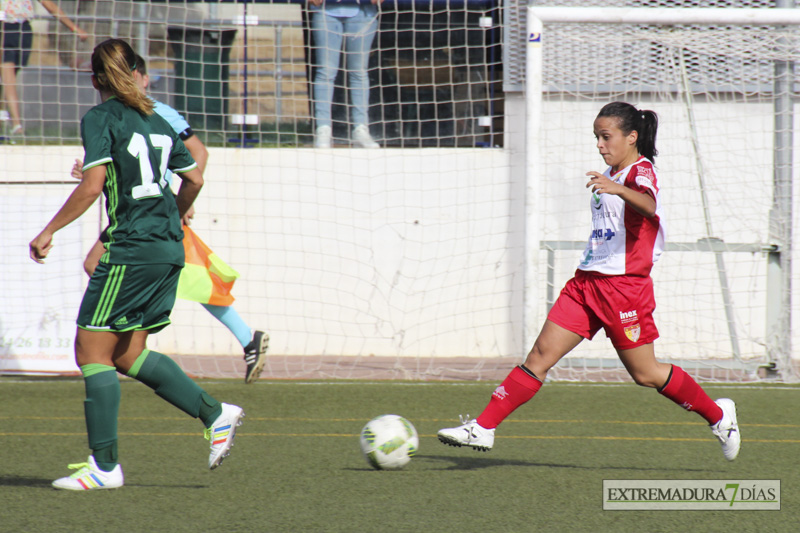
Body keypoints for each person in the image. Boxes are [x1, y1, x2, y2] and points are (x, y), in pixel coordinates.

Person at [437, 102, 741, 461]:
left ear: (632, 137)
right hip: (586, 284)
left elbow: (649, 204)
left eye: (606, 136)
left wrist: (618, 188)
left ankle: (719, 417)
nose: (600, 144)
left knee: (646, 374)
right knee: (539, 356)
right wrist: (610, 185)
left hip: (624, 290)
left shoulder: (638, 172)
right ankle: (483, 427)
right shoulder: (610, 174)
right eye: (597, 137)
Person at [29, 39, 244, 491]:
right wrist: (176, 211)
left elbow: (92, 187)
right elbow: (195, 177)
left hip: (132, 249)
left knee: (90, 351)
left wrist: (49, 230)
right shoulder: (158, 117)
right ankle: (214, 413)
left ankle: (104, 467)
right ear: (136, 73)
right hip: (166, 248)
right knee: (126, 353)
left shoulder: (101, 117)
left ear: (95, 81)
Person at [76, 54, 269, 385]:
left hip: (151, 212)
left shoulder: (157, 111)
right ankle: (246, 339)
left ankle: (125, 340)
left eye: (134, 76)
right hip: (147, 211)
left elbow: (199, 152)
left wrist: (180, 201)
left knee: (110, 264)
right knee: (192, 279)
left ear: (145, 79)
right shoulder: (123, 114)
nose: (130, 82)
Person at [0, 0, 88, 136]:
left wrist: (74, 28)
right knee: (8, 79)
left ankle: (9, 119)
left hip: (19, 30)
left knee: (10, 79)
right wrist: (74, 28)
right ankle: (16, 124)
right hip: (11, 29)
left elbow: (50, 6)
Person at [308, 0, 382, 149]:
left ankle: (361, 129)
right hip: (325, 9)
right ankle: (323, 128)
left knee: (358, 71)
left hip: (363, 11)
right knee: (326, 71)